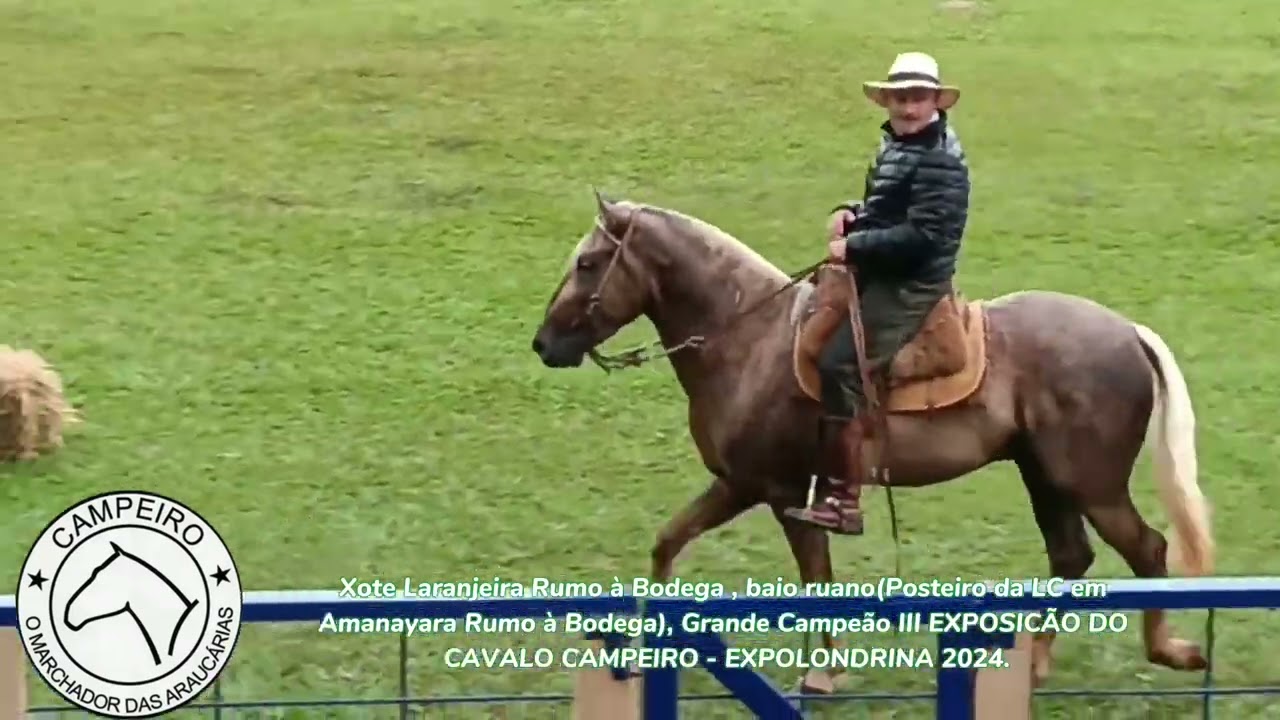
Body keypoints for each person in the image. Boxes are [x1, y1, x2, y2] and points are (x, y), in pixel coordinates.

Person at [787, 52, 971, 535]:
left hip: (912, 282)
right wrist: (850, 212)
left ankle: (844, 501)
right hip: (881, 268)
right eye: (901, 98)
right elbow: (884, 207)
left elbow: (922, 238)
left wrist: (853, 245)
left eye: (918, 98)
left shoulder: (941, 161)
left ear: (935, 101)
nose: (908, 108)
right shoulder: (898, 145)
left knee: (839, 364)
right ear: (887, 101)